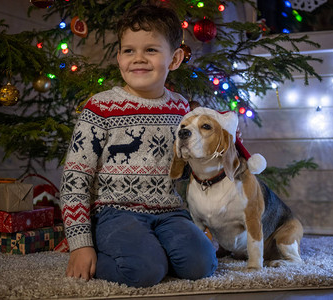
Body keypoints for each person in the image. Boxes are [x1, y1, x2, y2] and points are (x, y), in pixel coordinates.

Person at [60, 4, 217, 288]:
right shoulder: (101, 107)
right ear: (119, 57)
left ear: (175, 58)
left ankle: (154, 250)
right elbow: (75, 178)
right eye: (129, 50)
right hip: (114, 212)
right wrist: (80, 244)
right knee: (144, 271)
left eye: (151, 50)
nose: (138, 59)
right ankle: (109, 253)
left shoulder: (181, 108)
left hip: (169, 211)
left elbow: (190, 164)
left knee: (202, 264)